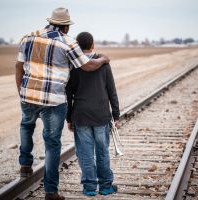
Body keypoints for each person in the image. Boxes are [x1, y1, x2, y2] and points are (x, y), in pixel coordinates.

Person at [15, 8, 110, 200]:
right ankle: (51, 192)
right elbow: (87, 65)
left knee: (26, 126)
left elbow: (19, 67)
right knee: (52, 145)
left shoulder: (28, 37)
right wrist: (103, 59)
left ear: (50, 21)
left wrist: (22, 93)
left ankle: (25, 164)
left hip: (29, 96)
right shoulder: (68, 42)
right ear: (66, 26)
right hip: (53, 102)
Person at [66, 32, 120, 196]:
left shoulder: (73, 64)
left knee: (85, 152)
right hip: (101, 115)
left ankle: (89, 188)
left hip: (81, 115)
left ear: (77, 46)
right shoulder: (104, 63)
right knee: (102, 151)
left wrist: (68, 117)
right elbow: (111, 90)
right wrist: (116, 114)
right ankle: (105, 187)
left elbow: (67, 93)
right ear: (93, 45)